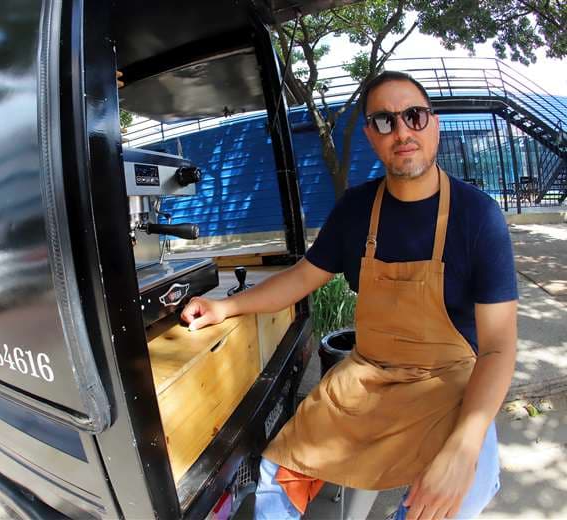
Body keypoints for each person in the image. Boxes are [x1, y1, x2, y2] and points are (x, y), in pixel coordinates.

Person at [181, 71, 518, 520]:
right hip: (367, 377)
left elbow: (497, 347)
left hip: (450, 385)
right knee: (277, 473)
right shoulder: (356, 210)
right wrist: (226, 306)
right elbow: (302, 277)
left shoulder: (478, 217)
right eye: (384, 121)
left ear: (433, 124)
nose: (401, 132)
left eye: (414, 116)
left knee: (448, 501)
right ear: (370, 136)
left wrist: (463, 445)